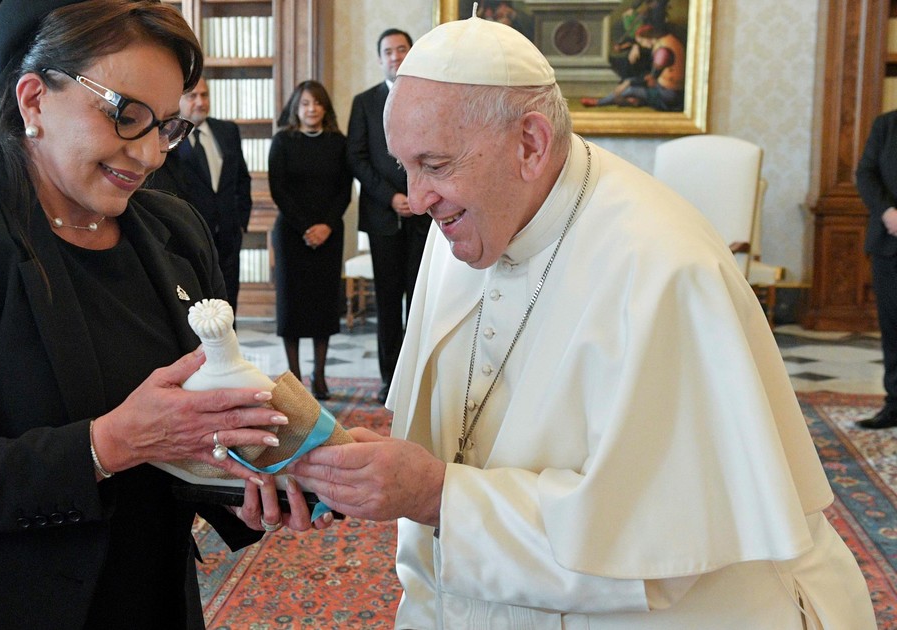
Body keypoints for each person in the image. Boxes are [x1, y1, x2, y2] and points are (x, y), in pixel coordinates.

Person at [290, 16, 876, 629]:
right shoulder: (456, 225)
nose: (416, 197)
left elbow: (657, 543)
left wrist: (437, 495)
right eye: (405, 166)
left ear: (530, 144)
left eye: (435, 164)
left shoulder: (664, 268)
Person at [0, 2, 332, 628]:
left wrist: (261, 476)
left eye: (166, 126)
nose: (150, 154)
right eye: (126, 116)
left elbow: (185, 430)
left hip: (143, 590)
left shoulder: (174, 231)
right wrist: (109, 443)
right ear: (34, 99)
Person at [347, 28, 432, 404]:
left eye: (402, 49)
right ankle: (390, 379)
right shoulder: (364, 102)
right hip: (383, 218)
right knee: (386, 300)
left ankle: (417, 379)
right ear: (380, 58)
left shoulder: (429, 97)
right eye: (388, 51)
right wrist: (392, 196)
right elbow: (356, 158)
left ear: (412, 53)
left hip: (424, 216)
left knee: (420, 299)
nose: (396, 56)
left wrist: (417, 193)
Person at [268, 80, 352, 401]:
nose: (311, 109)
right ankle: (294, 377)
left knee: (323, 304)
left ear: (325, 108)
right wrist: (306, 227)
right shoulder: (282, 141)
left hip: (329, 234)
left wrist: (326, 226)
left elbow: (344, 190)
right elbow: (278, 189)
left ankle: (320, 374)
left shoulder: (338, 143)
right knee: (291, 305)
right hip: (292, 234)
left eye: (317, 103)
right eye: (305, 103)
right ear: (296, 108)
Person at [149, 76, 254, 313]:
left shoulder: (227, 131)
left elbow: (241, 178)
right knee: (198, 305)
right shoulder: (169, 136)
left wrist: (241, 222)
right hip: (191, 236)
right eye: (192, 96)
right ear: (178, 100)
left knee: (228, 304)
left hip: (228, 235)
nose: (200, 102)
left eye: (204, 95)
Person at [856, 109, 897, 429]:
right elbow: (866, 173)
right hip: (889, 242)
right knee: (893, 327)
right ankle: (895, 404)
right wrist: (887, 212)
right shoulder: (886, 125)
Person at [581, 24, 684, 111]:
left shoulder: (662, 51)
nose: (642, 44)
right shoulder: (665, 41)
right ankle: (631, 101)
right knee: (631, 89)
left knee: (630, 90)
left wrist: (628, 82)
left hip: (668, 94)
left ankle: (599, 102)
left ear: (649, 38)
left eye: (641, 41)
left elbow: (651, 80)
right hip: (667, 89)